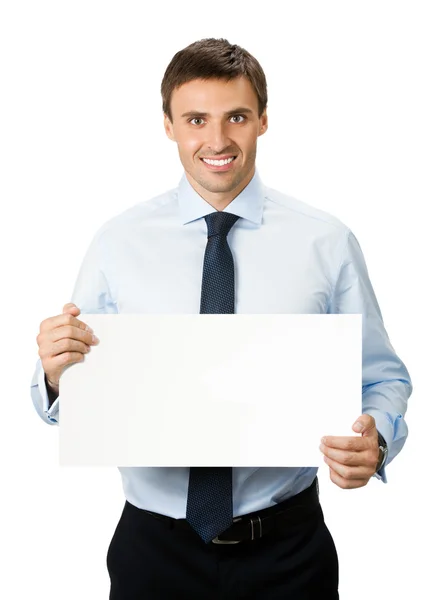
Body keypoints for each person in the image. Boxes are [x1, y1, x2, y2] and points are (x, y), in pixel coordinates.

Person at [31, 38, 412, 599]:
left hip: (288, 551)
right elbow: (68, 399)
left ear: (262, 120)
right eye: (195, 119)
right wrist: (57, 375)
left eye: (236, 116)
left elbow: (383, 378)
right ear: (168, 126)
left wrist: (377, 441)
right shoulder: (118, 242)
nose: (217, 140)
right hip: (153, 551)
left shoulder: (325, 241)